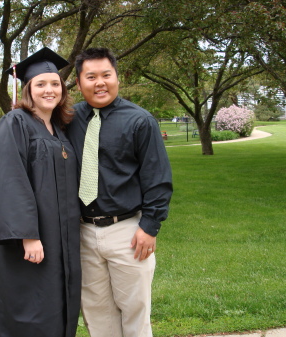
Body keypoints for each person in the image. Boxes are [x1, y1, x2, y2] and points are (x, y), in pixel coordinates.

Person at [67, 48, 173, 337]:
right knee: (97, 316)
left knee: (135, 314)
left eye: (106, 75)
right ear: (79, 83)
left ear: (117, 78)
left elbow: (158, 179)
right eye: (91, 77)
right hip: (84, 234)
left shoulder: (140, 121)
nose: (99, 82)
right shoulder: (68, 118)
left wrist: (149, 227)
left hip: (128, 232)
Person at [0, 47, 81, 337]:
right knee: (31, 307)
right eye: (41, 84)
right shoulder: (15, 123)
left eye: (55, 84)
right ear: (28, 89)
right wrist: (29, 236)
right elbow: (9, 181)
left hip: (60, 237)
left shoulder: (60, 129)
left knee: (57, 302)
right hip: (31, 241)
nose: (49, 90)